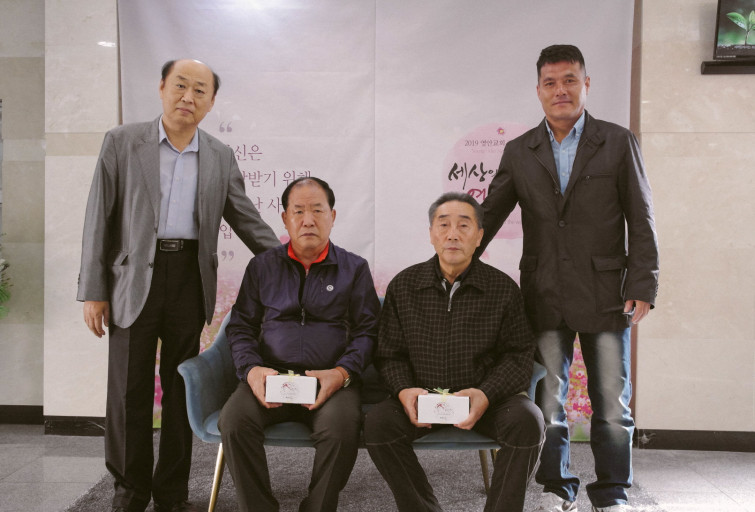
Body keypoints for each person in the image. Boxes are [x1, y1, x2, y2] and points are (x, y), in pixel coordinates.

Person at [77, 59, 279, 512]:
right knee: (128, 391)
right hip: (133, 280)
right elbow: (98, 218)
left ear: (211, 102)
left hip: (190, 277)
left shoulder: (219, 155)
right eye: (181, 86)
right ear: (162, 88)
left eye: (200, 90)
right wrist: (94, 289)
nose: (189, 97)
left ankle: (171, 493)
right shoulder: (123, 142)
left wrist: (290, 261)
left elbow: (245, 217)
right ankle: (129, 492)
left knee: (181, 387)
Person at [477, 45, 660, 512]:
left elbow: (641, 216)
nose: (560, 90)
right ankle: (556, 487)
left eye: (570, 80)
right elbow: (489, 216)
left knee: (613, 404)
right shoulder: (520, 151)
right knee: (548, 402)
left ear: (586, 84)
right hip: (543, 292)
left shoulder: (617, 141)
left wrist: (643, 283)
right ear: (538, 90)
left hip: (606, 292)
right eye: (551, 82)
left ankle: (612, 492)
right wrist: (453, 261)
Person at [364, 192, 545, 512]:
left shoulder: (503, 288)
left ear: (479, 236)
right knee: (378, 424)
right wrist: (405, 391)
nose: (452, 234)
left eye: (464, 225)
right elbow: (389, 354)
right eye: (443, 224)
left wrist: (485, 393)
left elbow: (519, 355)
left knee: (528, 421)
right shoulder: (403, 286)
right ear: (431, 234)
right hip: (421, 399)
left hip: (484, 400)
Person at [218, 177, 380, 512]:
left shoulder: (354, 269)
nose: (308, 220)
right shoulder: (262, 266)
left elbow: (369, 332)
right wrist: (252, 370)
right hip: (270, 377)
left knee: (341, 429)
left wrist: (342, 373)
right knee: (234, 422)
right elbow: (241, 327)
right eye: (299, 211)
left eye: (317, 210)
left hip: (330, 381)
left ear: (332, 216)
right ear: (285, 218)